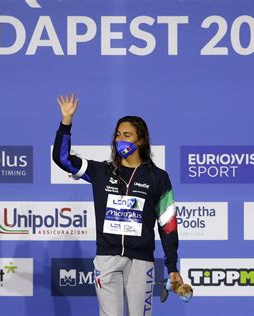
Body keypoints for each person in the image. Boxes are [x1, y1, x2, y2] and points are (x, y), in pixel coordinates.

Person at [52, 93, 183, 316]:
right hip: (107, 258)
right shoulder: (101, 172)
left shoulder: (158, 178)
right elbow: (62, 159)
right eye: (118, 134)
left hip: (142, 261)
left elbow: (167, 224)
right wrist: (66, 122)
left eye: (127, 135)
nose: (120, 139)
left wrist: (172, 266)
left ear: (140, 140)